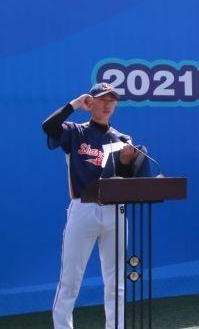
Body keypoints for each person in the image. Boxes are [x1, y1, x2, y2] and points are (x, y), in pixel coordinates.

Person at [43, 82, 145, 329]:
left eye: (112, 100)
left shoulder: (123, 139)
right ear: (91, 102)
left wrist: (126, 162)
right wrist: (75, 104)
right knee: (70, 280)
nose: (108, 104)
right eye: (102, 99)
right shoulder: (75, 132)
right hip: (83, 208)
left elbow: (125, 181)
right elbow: (48, 127)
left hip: (116, 212)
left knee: (116, 282)